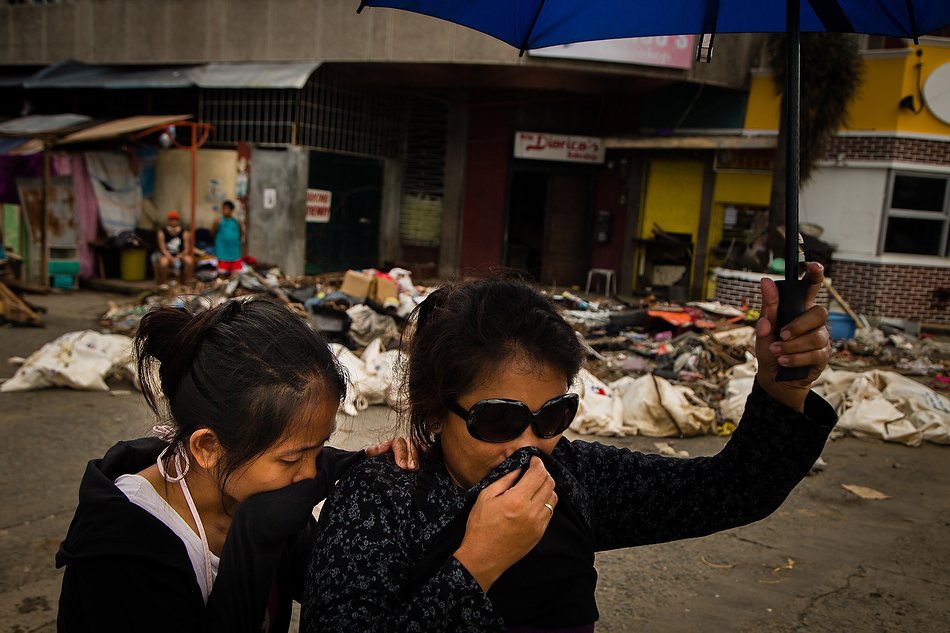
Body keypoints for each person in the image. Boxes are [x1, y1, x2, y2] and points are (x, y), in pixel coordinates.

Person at [301, 264, 836, 632]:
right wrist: (477, 564)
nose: (530, 447)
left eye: (553, 416)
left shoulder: (573, 479)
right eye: (500, 420)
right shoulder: (382, 499)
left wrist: (781, 386)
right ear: (437, 410)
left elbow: (733, 490)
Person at [56, 299, 415, 633]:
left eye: (320, 447)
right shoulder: (120, 556)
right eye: (291, 458)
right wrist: (254, 540)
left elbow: (337, 591)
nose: (309, 472)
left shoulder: (265, 494)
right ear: (207, 447)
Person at [154, 211, 194, 285]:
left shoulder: (184, 233)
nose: (173, 221)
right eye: (172, 219)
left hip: (180, 255)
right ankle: (164, 283)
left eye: (175, 219)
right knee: (163, 262)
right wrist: (171, 258)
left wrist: (180, 255)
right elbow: (163, 249)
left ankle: (187, 282)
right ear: (168, 221)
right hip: (167, 255)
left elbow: (186, 248)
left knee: (189, 260)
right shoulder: (162, 232)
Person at [212, 200, 244, 279]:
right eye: (223, 209)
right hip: (222, 249)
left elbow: (241, 233)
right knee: (222, 269)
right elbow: (212, 233)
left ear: (231, 210)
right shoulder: (219, 221)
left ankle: (232, 282)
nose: (224, 211)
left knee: (235, 271)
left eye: (226, 208)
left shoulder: (236, 222)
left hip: (234, 249)